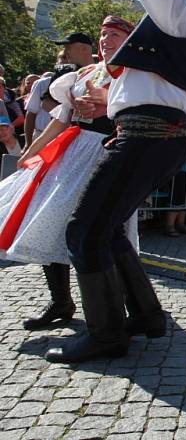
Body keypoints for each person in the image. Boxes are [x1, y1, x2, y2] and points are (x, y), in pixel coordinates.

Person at [44, 0, 186, 364]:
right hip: (147, 134)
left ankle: (108, 335)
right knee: (106, 227)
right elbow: (148, 89)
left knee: (83, 229)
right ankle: (146, 315)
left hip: (147, 137)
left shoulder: (174, 10)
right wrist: (105, 101)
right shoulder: (163, 31)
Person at [0, 16, 138, 331]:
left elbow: (135, 117)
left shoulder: (132, 76)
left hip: (105, 153)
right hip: (71, 152)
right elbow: (62, 117)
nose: (105, 40)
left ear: (129, 40)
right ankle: (60, 301)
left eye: (114, 35)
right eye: (103, 35)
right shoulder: (86, 72)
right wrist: (30, 151)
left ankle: (118, 306)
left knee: (100, 230)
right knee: (51, 218)